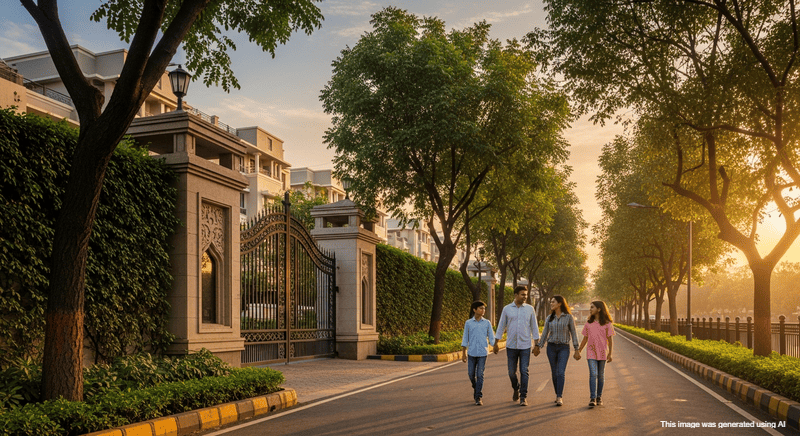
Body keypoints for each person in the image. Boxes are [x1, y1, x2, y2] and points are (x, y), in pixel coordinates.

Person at [493, 285, 539, 406]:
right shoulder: (507, 309)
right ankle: (516, 388)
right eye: (523, 294)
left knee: (524, 370)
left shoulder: (530, 309)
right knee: (511, 372)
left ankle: (523, 396)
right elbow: (501, 326)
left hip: (525, 345)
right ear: (516, 295)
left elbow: (534, 327)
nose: (525, 297)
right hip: (511, 346)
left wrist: (537, 344)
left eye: (526, 294)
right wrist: (496, 343)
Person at [534, 295, 579, 406]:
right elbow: (544, 334)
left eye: (553, 302)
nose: (551, 304)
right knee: (554, 373)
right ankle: (557, 394)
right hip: (551, 348)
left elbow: (573, 333)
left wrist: (577, 349)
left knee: (560, 372)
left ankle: (559, 396)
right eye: (551, 302)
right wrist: (538, 346)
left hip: (564, 347)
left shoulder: (569, 317)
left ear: (559, 303)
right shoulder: (550, 318)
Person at [576, 300, 615, 407]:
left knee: (601, 376)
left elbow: (610, 340)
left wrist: (610, 353)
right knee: (593, 374)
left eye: (592, 307)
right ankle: (592, 398)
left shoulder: (607, 323)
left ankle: (599, 397)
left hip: (602, 353)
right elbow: (585, 339)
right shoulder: (589, 323)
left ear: (599, 309)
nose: (590, 309)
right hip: (591, 353)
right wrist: (579, 350)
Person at [461, 300, 496, 406]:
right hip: (471, 353)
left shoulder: (487, 323)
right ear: (474, 310)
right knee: (471, 374)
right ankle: (476, 388)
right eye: (481, 308)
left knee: (480, 375)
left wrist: (495, 345)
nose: (483, 310)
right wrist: (463, 353)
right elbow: (465, 338)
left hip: (482, 353)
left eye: (484, 308)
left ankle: (478, 396)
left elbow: (491, 337)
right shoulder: (468, 323)